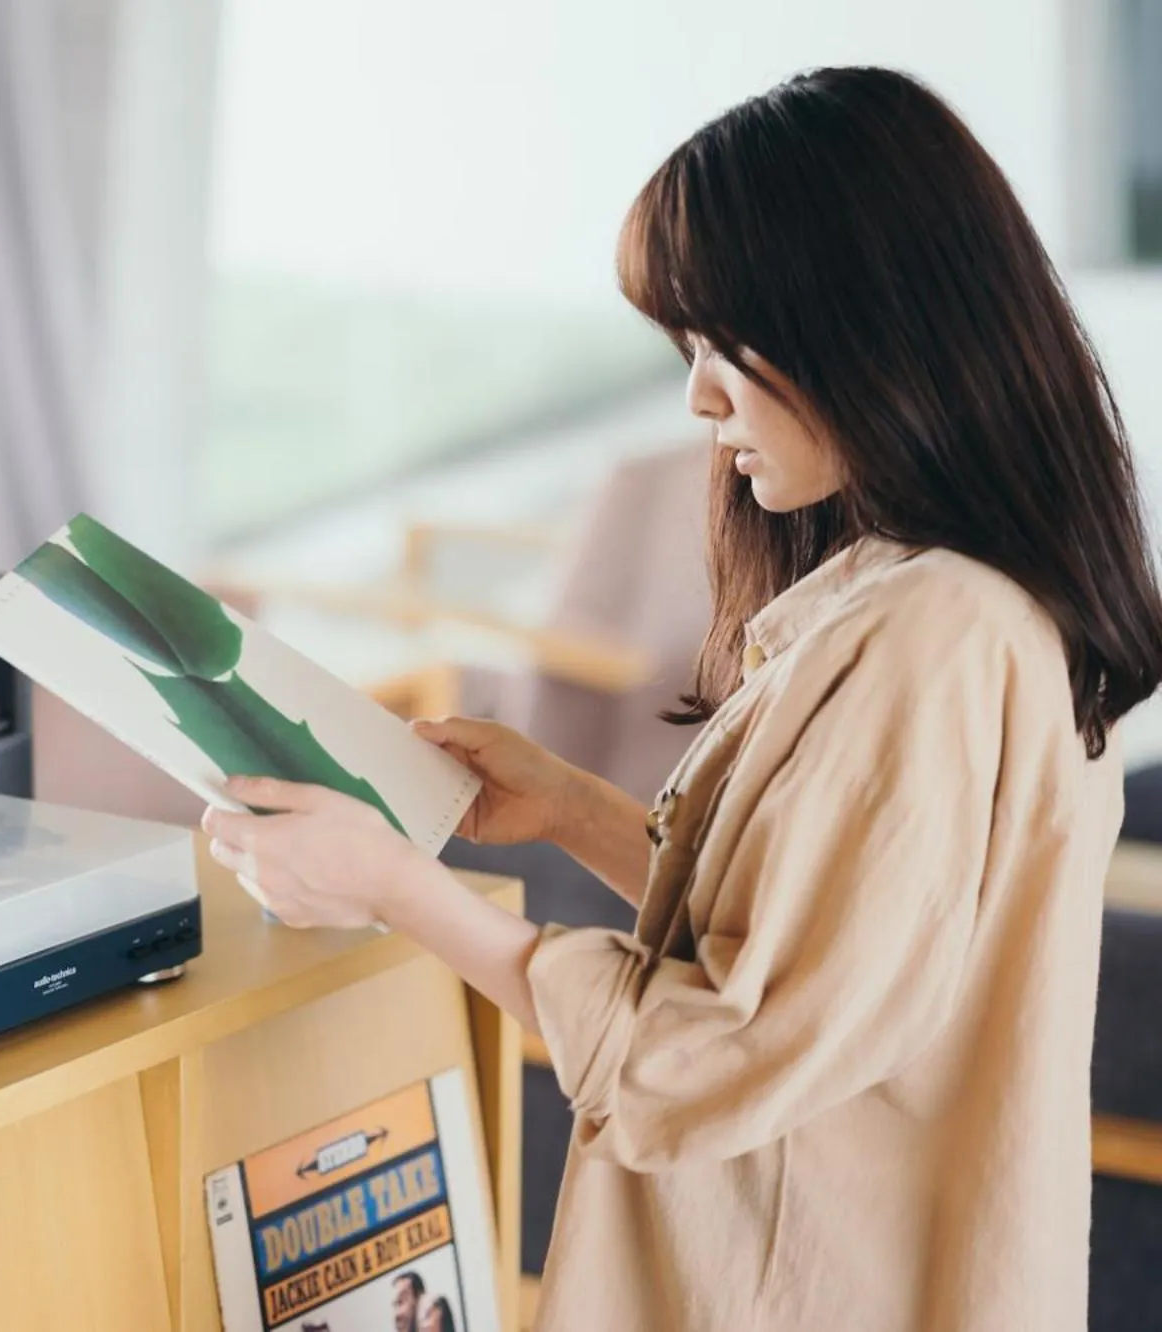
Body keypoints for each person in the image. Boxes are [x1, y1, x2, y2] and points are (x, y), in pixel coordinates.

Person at [202, 66, 1162, 1332]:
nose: (700, 399)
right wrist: (570, 811)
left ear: (863, 324)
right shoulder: (962, 603)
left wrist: (396, 888)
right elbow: (823, 948)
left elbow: (713, 1055)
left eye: (724, 346)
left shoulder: (930, 642)